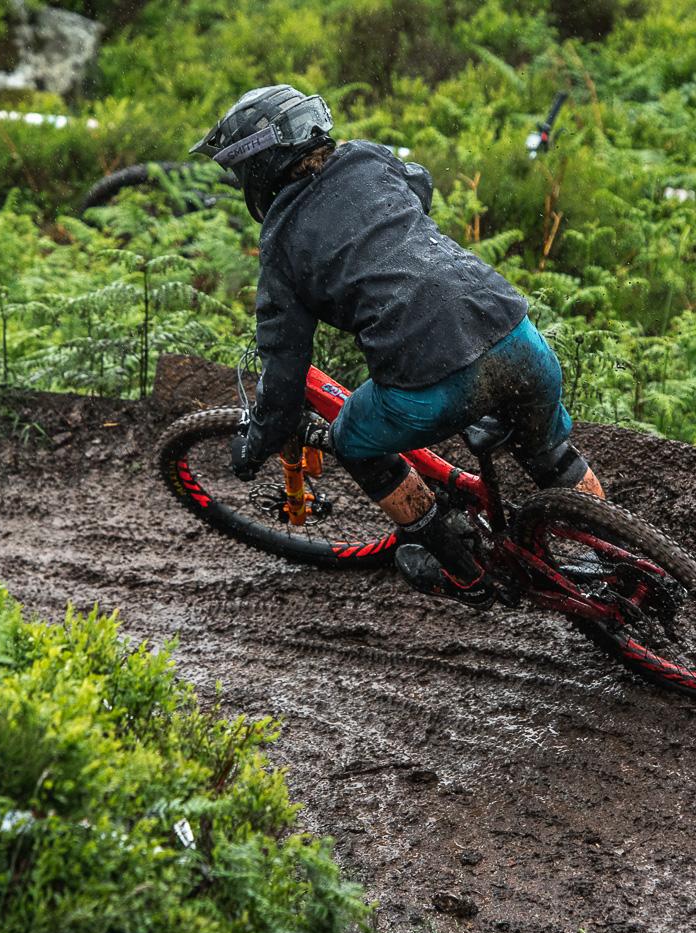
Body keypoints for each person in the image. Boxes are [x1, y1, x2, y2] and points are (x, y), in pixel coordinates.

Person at [190, 84, 604, 608]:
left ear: (259, 167)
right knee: (552, 455)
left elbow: (285, 368)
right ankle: (615, 561)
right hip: (517, 334)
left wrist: (257, 444)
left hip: (431, 380)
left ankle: (456, 563)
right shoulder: (366, 157)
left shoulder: (282, 243)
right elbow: (420, 187)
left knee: (353, 440)